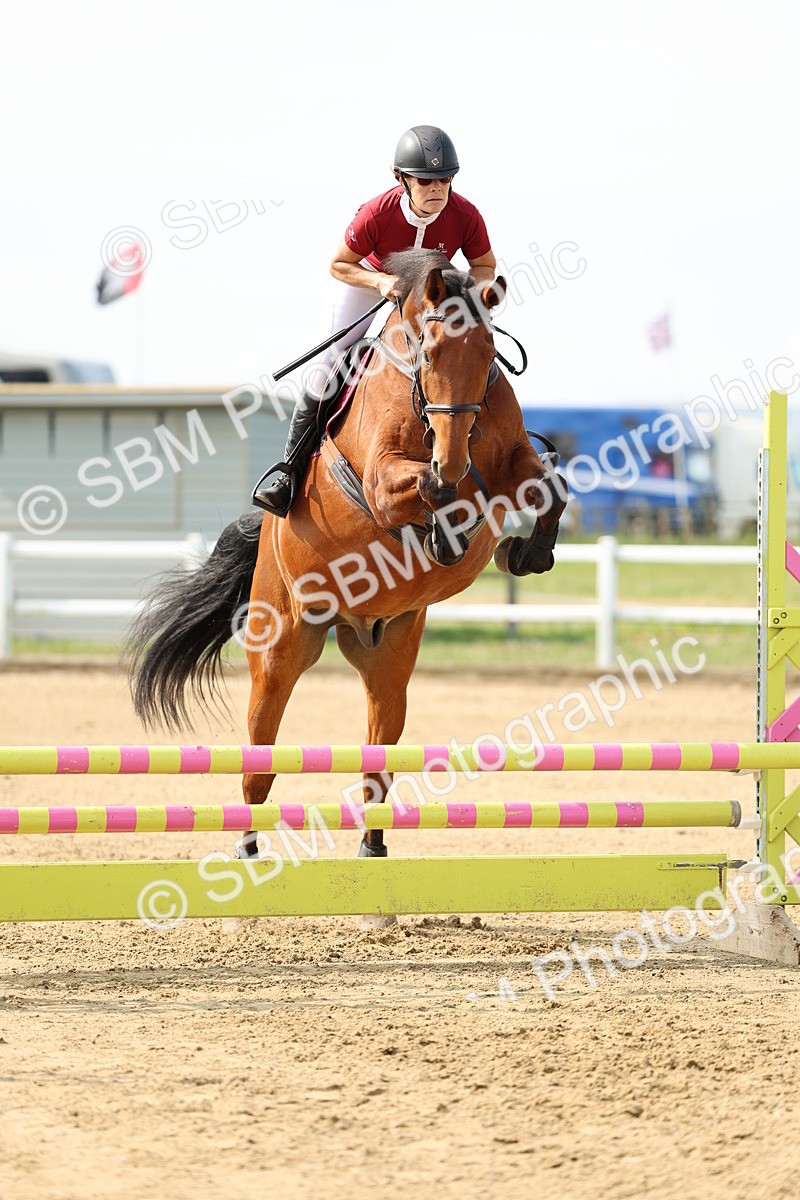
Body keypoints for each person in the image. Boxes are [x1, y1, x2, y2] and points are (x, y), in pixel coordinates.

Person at [253, 124, 498, 516]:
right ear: (402, 180)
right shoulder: (376, 212)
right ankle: (289, 473)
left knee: (464, 357)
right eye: (425, 181)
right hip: (370, 283)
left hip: (432, 295)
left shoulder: (465, 214)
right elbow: (338, 264)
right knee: (326, 369)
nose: (437, 189)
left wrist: (471, 294)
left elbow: (485, 265)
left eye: (445, 179)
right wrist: (379, 280)